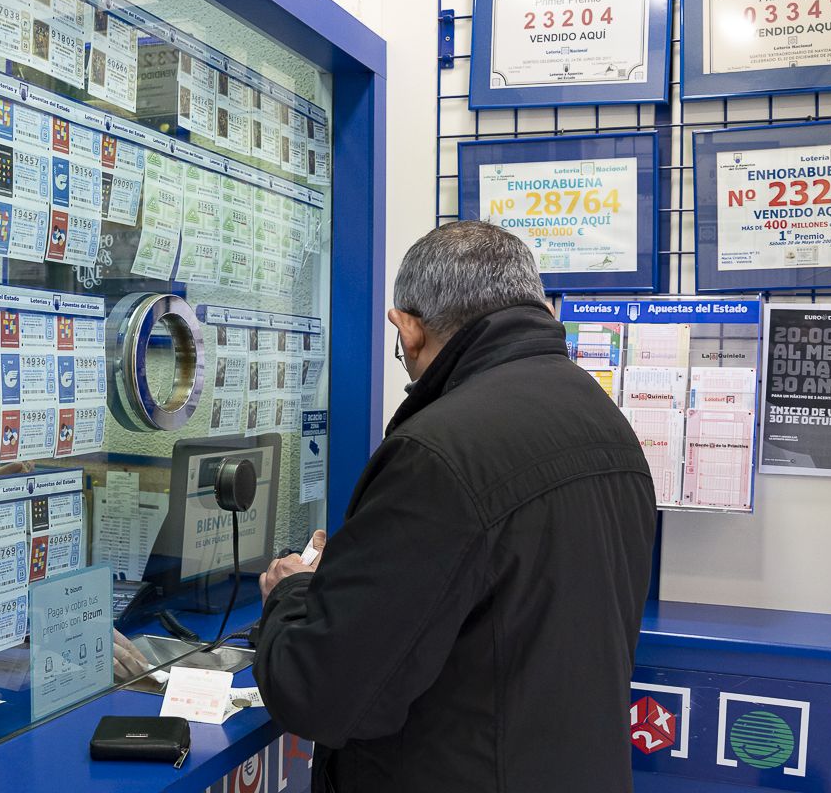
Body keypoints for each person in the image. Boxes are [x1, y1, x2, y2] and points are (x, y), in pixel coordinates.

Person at [253, 221, 657, 792]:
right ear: (534, 303)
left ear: (407, 328)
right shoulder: (604, 422)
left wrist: (292, 593)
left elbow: (323, 694)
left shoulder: (438, 453)